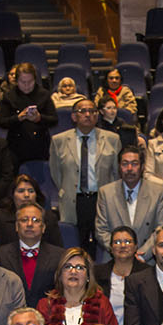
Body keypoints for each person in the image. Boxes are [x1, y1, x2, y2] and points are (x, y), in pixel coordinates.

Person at [51, 98, 120, 250]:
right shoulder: (59, 140)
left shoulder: (112, 139)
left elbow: (116, 173)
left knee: (102, 245)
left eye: (92, 111)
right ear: (74, 116)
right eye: (83, 111)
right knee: (74, 245)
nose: (88, 115)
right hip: (74, 200)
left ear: (97, 115)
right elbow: (56, 173)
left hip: (101, 199)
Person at [35, 245, 117, 325]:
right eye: (67, 267)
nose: (73, 271)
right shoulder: (45, 305)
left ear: (88, 276)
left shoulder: (101, 303)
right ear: (60, 274)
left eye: (80, 267)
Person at [96, 143, 163, 260]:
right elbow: (101, 230)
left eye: (134, 164)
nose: (129, 168)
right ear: (119, 167)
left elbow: (162, 228)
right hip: (114, 260)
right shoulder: (106, 193)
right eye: (125, 164)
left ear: (142, 167)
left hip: (146, 260)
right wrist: (121, 252)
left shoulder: (158, 192)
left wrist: (141, 255)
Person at [0, 63, 55, 164]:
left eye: (30, 82)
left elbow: (53, 120)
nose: (27, 86)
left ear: (35, 79)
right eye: (23, 82)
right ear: (16, 80)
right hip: (15, 146)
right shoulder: (9, 96)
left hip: (39, 146)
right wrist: (18, 118)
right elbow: (2, 122)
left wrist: (39, 118)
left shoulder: (44, 94)